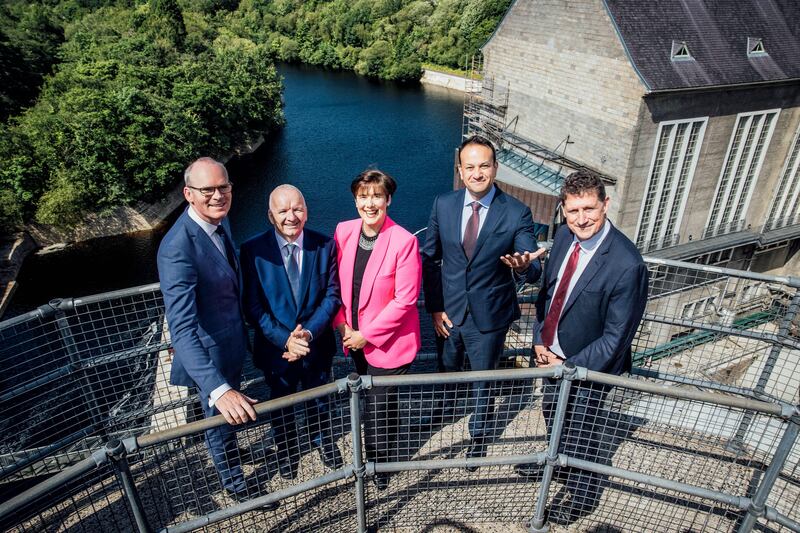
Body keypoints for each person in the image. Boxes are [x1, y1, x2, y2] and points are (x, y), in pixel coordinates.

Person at [515, 170, 649, 526]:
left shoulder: (627, 264)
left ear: (605, 204)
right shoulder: (563, 236)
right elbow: (549, 295)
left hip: (588, 367)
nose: (582, 219)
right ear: (563, 210)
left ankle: (583, 495)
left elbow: (616, 338)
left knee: (581, 432)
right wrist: (540, 340)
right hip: (551, 355)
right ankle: (557, 463)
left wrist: (567, 365)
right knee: (552, 413)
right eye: (573, 211)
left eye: (589, 208)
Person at [422, 135, 545, 467]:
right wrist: (435, 307)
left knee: (483, 378)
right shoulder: (443, 204)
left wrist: (524, 265)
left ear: (495, 168)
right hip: (448, 311)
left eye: (484, 166)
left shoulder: (516, 212)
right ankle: (444, 411)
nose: (477, 173)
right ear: (460, 171)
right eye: (470, 167)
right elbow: (430, 259)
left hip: (489, 315)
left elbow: (532, 264)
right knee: (446, 368)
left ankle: (478, 434)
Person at [158, 157, 274, 508]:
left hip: (232, 343)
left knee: (227, 421)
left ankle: (232, 452)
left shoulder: (219, 223)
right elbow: (181, 328)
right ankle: (236, 485)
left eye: (224, 187)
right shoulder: (177, 248)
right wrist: (219, 390)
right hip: (209, 356)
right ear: (188, 194)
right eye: (207, 189)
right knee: (218, 419)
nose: (218, 195)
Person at [239, 184, 342, 480]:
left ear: (306, 212)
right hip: (276, 350)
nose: (291, 216)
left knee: (319, 397)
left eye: (297, 209)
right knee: (281, 401)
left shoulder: (325, 245)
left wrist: (306, 334)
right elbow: (253, 306)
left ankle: (321, 440)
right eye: (283, 210)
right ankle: (286, 449)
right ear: (270, 215)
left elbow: (332, 296)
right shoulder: (252, 250)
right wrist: (286, 340)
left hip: (315, 344)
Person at [333, 169, 422, 491]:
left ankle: (378, 465)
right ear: (355, 200)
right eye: (363, 196)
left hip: (389, 343)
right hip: (353, 337)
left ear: (388, 200)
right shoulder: (344, 231)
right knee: (379, 402)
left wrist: (366, 335)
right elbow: (336, 284)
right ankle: (386, 449)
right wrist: (342, 325)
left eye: (376, 196)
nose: (369, 204)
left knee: (377, 407)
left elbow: (405, 300)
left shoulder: (404, 241)